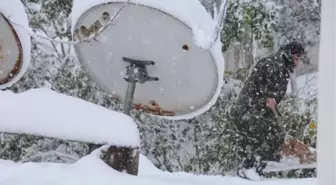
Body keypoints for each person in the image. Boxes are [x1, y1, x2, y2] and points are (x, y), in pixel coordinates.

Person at [228, 41, 306, 180]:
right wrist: (270, 98)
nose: (298, 61)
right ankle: (252, 168)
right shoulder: (276, 65)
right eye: (296, 57)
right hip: (249, 110)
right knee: (273, 133)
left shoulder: (279, 63)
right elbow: (270, 96)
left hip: (249, 109)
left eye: (299, 58)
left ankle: (252, 168)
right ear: (290, 55)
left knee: (262, 135)